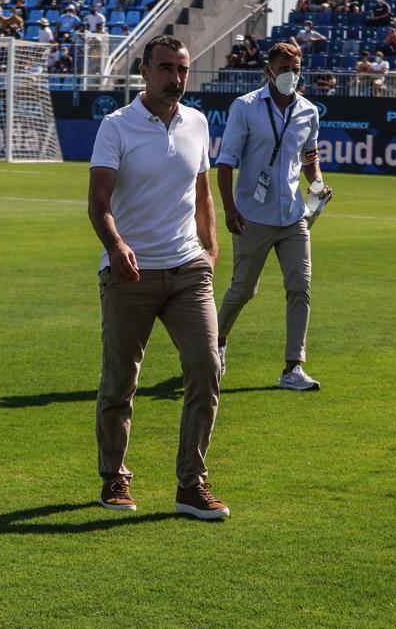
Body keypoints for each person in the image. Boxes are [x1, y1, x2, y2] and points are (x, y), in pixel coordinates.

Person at [87, 35, 228, 520]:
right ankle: (114, 477)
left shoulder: (199, 122)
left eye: (183, 69)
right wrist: (117, 245)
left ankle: (191, 485)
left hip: (188, 269)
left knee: (207, 369)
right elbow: (99, 203)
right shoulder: (116, 126)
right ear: (143, 71)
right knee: (120, 382)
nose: (176, 78)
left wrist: (210, 248)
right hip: (131, 274)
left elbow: (203, 192)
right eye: (166, 68)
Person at [214, 41, 327, 392]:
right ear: (268, 70)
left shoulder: (309, 111)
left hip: (293, 216)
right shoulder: (244, 107)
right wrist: (230, 209)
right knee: (243, 289)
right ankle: (215, 342)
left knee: (300, 286)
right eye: (283, 69)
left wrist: (319, 184)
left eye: (295, 69)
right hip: (253, 215)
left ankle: (293, 367)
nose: (290, 75)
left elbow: (309, 157)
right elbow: (225, 161)